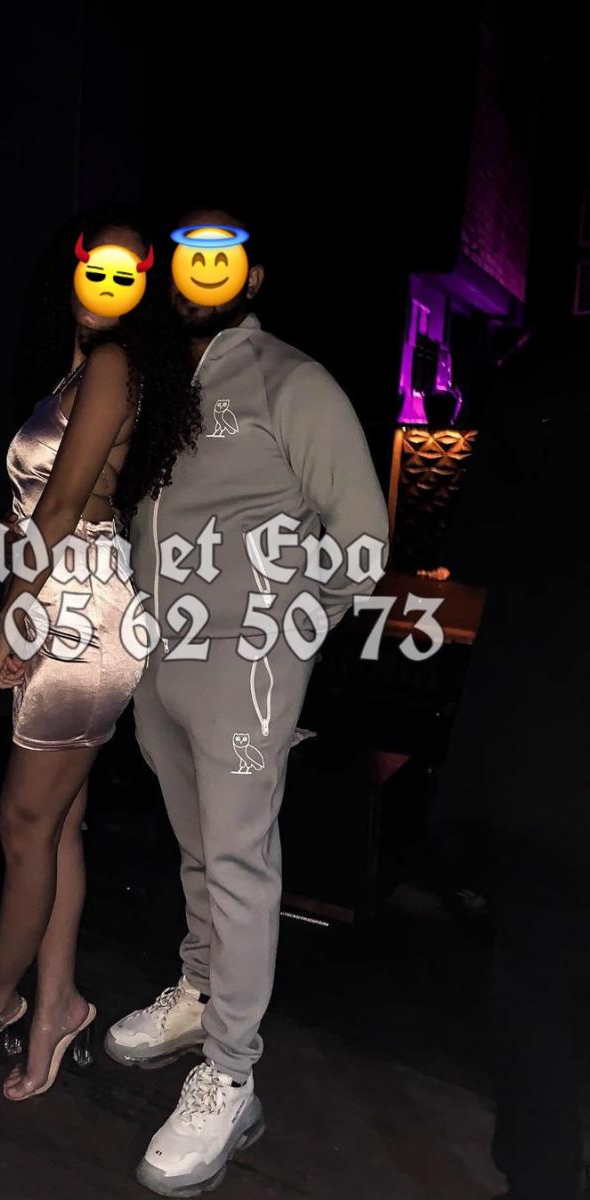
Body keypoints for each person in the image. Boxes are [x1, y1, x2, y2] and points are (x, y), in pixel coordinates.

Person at [105, 208, 389, 1196]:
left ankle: (230, 1073)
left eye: (221, 260)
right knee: (198, 848)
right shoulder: (163, 383)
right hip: (160, 655)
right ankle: (198, 990)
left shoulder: (290, 381)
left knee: (237, 862)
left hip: (244, 665)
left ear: (253, 278)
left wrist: (284, 632)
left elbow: (361, 536)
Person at [0, 210, 199, 1100]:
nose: (107, 283)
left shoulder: (112, 366)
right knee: (55, 827)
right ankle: (56, 1007)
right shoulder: (86, 367)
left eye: (127, 272)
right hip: (66, 594)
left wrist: (13, 608)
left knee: (23, 824)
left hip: (74, 607)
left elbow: (61, 505)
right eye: (95, 266)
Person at [432, 315, 590, 1200]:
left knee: (538, 966)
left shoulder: (549, 368)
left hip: (549, 728)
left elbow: (474, 544)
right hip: (548, 733)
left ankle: (541, 1175)